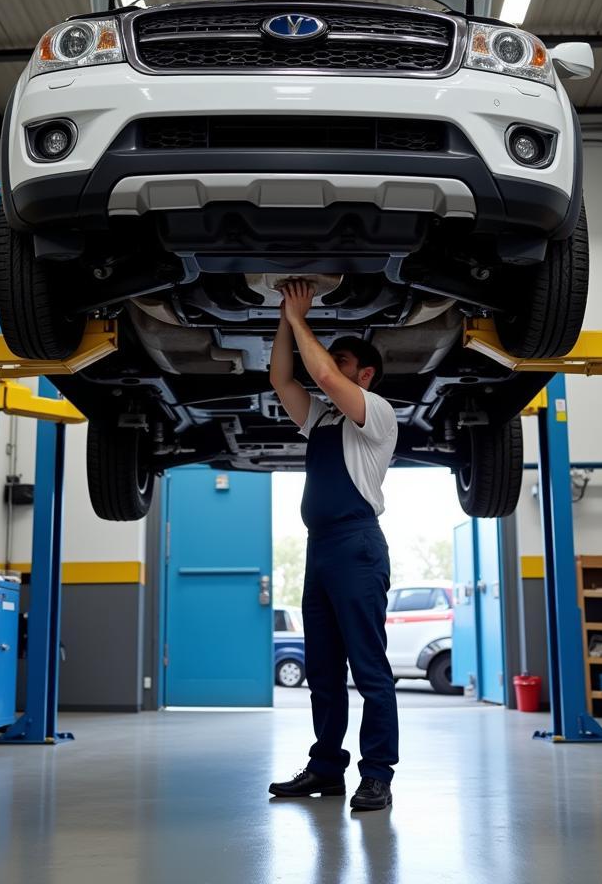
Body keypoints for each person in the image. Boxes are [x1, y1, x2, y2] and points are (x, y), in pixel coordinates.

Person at [267, 280, 399, 812]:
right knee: (322, 669)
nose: (328, 365)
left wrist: (302, 316)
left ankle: (378, 775)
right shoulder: (321, 418)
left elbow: (318, 371)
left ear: (363, 376)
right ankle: (326, 769)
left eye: (342, 360)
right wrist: (284, 315)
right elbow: (281, 377)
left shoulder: (376, 414)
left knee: (369, 669)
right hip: (319, 551)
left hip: (356, 547)